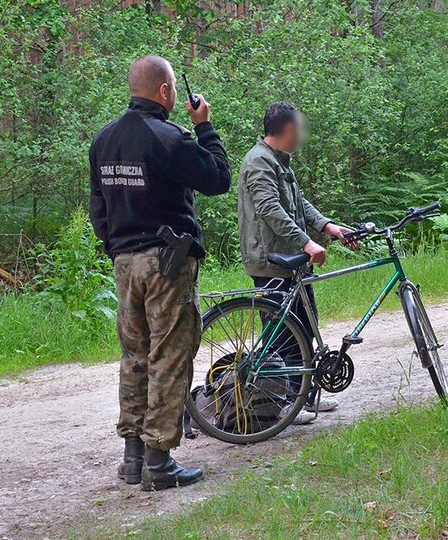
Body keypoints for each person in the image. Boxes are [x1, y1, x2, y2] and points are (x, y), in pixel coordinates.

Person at [88, 55, 231, 491]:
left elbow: (98, 209)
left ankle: (132, 460)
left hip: (124, 264)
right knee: (169, 356)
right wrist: (204, 126)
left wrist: (116, 248)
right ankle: (159, 464)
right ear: (167, 92)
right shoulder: (169, 138)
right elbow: (218, 177)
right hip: (166, 264)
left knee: (135, 357)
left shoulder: (103, 140)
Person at [237, 102, 356, 424]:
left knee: (304, 327)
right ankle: (284, 404)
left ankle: (303, 396)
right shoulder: (259, 162)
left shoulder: (279, 161)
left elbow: (297, 202)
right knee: (282, 335)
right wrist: (306, 241)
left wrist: (327, 226)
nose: (302, 135)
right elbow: (270, 209)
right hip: (271, 260)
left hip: (293, 260)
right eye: (300, 129)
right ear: (288, 129)